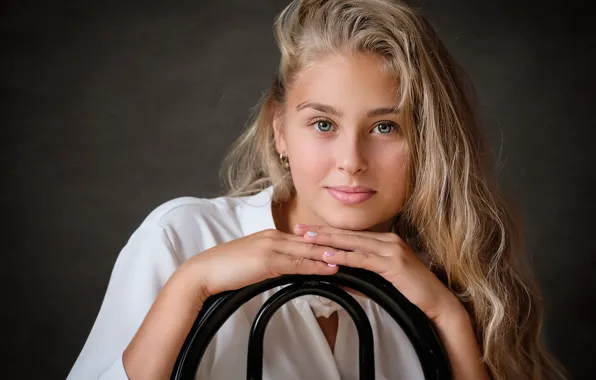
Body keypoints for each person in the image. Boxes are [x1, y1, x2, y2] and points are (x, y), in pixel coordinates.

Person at [67, 0, 569, 379]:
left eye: (386, 127)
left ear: (428, 142)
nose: (351, 162)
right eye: (323, 125)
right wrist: (189, 286)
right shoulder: (182, 238)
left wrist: (446, 315)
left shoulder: (449, 271)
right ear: (280, 129)